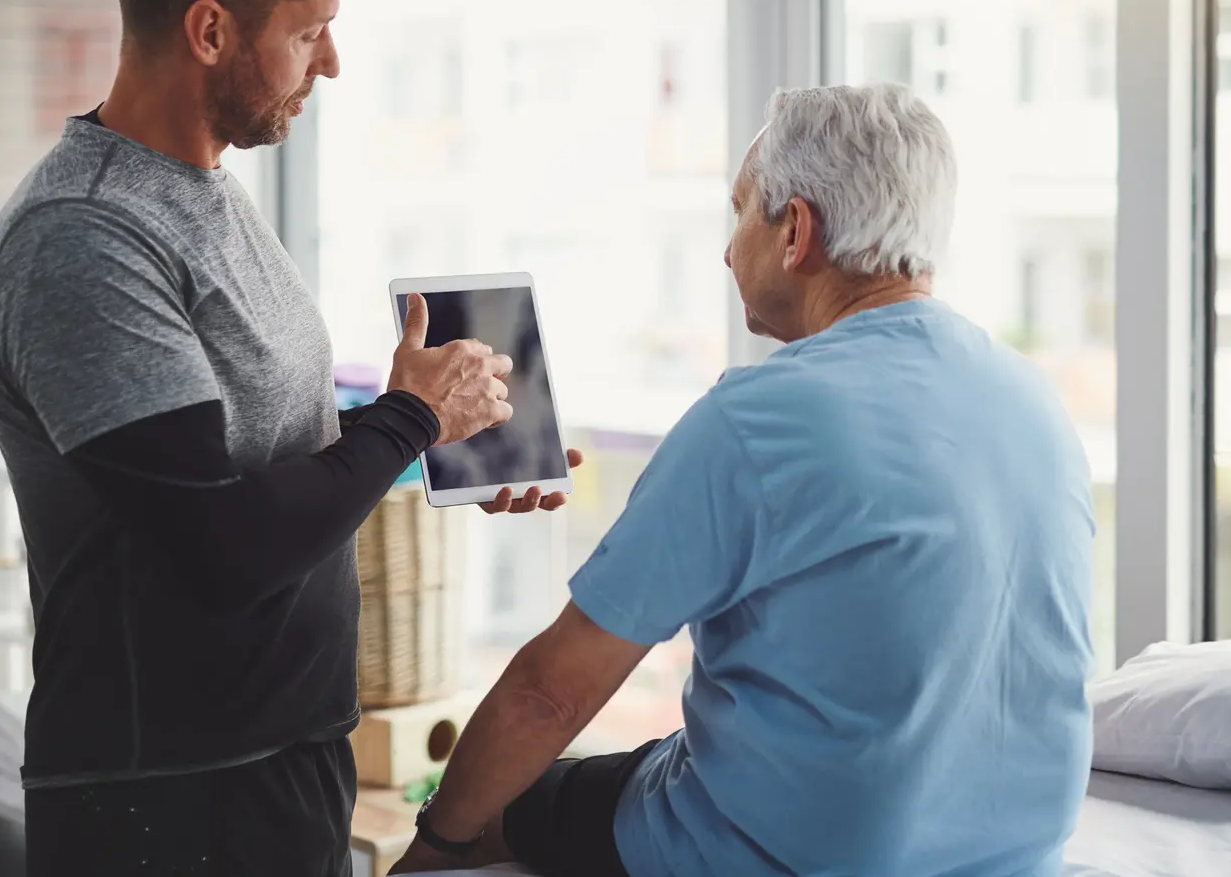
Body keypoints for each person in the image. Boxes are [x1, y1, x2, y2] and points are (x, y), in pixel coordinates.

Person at [0, 0, 579, 877]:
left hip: (280, 768)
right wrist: (407, 421)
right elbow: (221, 547)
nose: (329, 63)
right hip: (160, 805)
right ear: (210, 30)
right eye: (307, 31)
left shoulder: (203, 197)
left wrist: (442, 445)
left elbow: (257, 467)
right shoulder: (83, 238)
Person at [391, 83, 1096, 877]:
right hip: (1018, 855)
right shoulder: (1034, 398)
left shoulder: (759, 417)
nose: (729, 250)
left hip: (785, 857)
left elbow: (549, 694)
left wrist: (431, 849)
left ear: (795, 230)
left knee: (504, 805)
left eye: (740, 212)